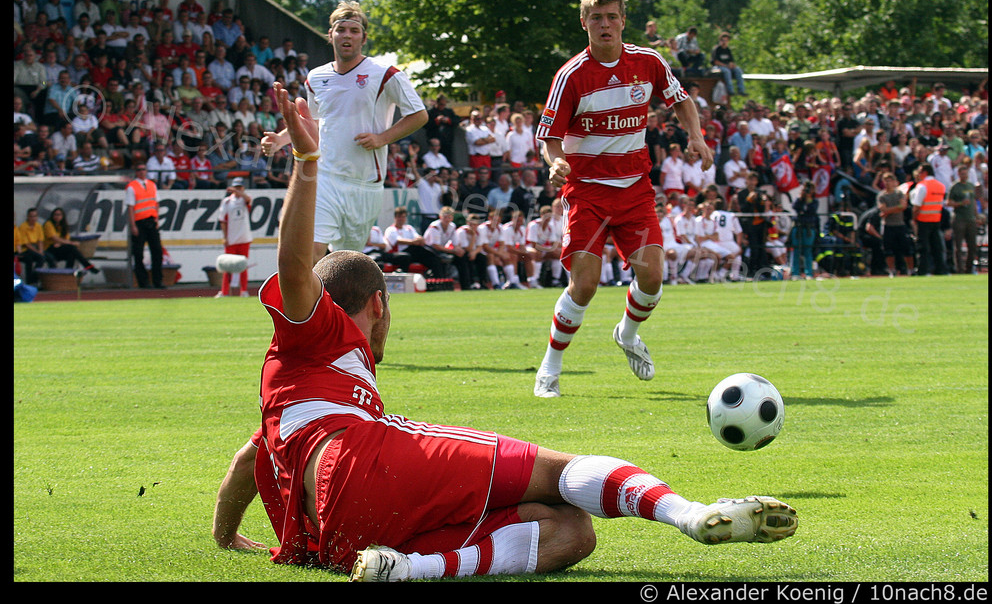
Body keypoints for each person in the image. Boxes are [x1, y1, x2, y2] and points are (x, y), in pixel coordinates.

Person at [211, 83, 798, 580]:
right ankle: (690, 514)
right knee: (560, 471)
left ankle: (411, 569)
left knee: (570, 533)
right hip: (362, 464)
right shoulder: (323, 330)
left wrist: (226, 536)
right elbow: (293, 268)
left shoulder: (295, 381)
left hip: (335, 541)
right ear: (379, 306)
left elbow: (248, 458)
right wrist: (307, 163)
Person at [533, 0, 714, 398]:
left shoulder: (648, 62)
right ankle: (551, 368)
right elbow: (550, 138)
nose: (605, 25)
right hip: (587, 193)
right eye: (597, 18)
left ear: (622, 21)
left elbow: (682, 101)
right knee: (586, 284)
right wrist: (555, 162)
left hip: (634, 190)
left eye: (612, 17)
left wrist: (697, 137)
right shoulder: (571, 76)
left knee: (652, 275)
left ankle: (627, 334)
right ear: (585, 23)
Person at [262, 1, 427, 261]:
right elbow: (314, 121)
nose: (347, 35)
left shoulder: (385, 73)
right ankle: (310, 303)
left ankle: (337, 301)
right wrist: (281, 139)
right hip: (325, 178)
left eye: (354, 30)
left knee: (344, 262)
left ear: (363, 37)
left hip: (365, 184)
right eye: (341, 30)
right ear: (331, 35)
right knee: (312, 253)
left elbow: (419, 114)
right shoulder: (315, 77)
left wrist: (382, 138)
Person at [125, 163, 165, 289]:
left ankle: (157, 281)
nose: (142, 172)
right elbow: (130, 207)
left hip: (151, 221)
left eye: (143, 169)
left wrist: (157, 218)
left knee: (157, 251)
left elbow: (156, 203)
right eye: (139, 170)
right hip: (139, 222)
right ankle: (143, 282)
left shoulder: (152, 185)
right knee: (138, 253)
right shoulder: (132, 187)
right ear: (136, 172)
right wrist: (133, 226)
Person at [215, 178, 253, 297]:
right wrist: (225, 237)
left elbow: (248, 199)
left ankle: (244, 290)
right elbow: (223, 220)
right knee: (227, 266)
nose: (237, 190)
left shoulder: (244, 199)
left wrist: (239, 192)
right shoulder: (227, 201)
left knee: (243, 265)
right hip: (232, 238)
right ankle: (224, 291)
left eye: (240, 187)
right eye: (236, 187)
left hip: (244, 237)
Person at [908, 163, 948, 276]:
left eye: (920, 172)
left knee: (923, 248)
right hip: (936, 219)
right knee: (937, 247)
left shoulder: (922, 186)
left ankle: (923, 270)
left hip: (923, 220)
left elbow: (916, 206)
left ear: (925, 172)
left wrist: (914, 220)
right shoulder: (941, 186)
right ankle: (940, 269)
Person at [42, 207, 100, 275]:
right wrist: (70, 243)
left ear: (62, 216)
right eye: (55, 215)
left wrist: (60, 244)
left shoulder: (63, 226)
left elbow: (65, 239)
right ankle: (87, 265)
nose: (57, 217)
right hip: (49, 248)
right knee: (72, 247)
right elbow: (54, 238)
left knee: (72, 253)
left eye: (59, 215)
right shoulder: (48, 224)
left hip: (59, 247)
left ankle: (68, 273)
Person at [876, 172, 912, 277]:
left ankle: (910, 269)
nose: (888, 183)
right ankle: (892, 270)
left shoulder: (899, 193)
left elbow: (903, 206)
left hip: (899, 224)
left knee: (906, 248)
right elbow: (883, 208)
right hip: (888, 225)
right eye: (886, 181)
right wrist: (895, 209)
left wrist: (887, 212)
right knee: (888, 249)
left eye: (890, 180)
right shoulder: (881, 195)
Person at [946, 164, 978, 274]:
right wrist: (960, 203)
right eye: (962, 173)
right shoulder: (955, 187)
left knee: (972, 246)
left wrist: (976, 216)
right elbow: (948, 202)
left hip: (970, 218)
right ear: (959, 174)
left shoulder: (970, 186)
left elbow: (973, 203)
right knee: (958, 246)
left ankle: (969, 269)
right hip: (959, 219)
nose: (965, 175)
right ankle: (960, 269)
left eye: (966, 173)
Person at [790, 180, 819, 280]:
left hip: (808, 228)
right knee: (796, 250)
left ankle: (808, 273)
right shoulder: (799, 199)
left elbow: (811, 210)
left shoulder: (814, 201)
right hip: (798, 227)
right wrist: (801, 197)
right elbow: (794, 206)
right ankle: (795, 273)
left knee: (807, 251)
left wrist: (808, 199)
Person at [17, 208, 48, 285]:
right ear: (28, 217)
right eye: (31, 216)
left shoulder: (38, 226)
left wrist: (40, 251)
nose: (33, 218)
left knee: (49, 258)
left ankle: (45, 281)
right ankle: (31, 281)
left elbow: (40, 241)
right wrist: (38, 252)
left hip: (36, 249)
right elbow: (26, 244)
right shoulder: (23, 227)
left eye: (35, 216)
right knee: (31, 259)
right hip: (26, 249)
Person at [709, 32, 746, 96]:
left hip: (727, 66)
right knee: (727, 71)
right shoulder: (717, 49)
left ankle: (741, 90)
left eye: (726, 40)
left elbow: (731, 60)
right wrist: (726, 66)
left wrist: (731, 65)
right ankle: (730, 90)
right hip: (718, 67)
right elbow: (715, 62)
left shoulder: (728, 50)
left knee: (738, 70)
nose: (724, 42)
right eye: (723, 40)